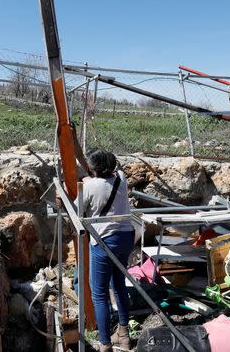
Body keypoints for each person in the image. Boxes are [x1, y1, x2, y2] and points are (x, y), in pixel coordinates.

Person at [77, 150, 134, 352]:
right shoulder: (121, 177)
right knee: (119, 283)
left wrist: (81, 186)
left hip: (105, 241)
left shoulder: (89, 186)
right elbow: (108, 178)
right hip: (126, 236)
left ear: (93, 169)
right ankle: (123, 335)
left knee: (99, 293)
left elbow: (78, 212)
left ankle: (105, 344)